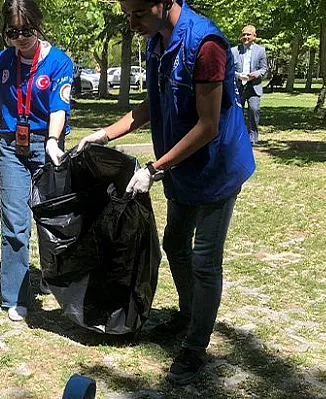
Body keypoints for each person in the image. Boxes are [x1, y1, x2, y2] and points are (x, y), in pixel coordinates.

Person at [77, 0, 255, 385]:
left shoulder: (206, 45)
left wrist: (155, 168)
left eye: (138, 13)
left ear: (163, 2)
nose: (131, 22)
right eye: (126, 14)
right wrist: (105, 133)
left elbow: (208, 125)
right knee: (175, 244)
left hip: (215, 170)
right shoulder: (156, 39)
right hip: (180, 169)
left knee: (206, 261)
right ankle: (189, 315)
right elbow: (152, 105)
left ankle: (195, 346)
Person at [0, 0, 74, 322]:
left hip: (45, 144)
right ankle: (14, 296)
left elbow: (59, 106)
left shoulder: (59, 62)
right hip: (11, 148)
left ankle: (52, 277)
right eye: (12, 33)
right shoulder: (2, 61)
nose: (20, 39)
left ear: (38, 26)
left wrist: (51, 140)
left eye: (26, 31)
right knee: (15, 225)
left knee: (52, 219)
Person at [231, 25, 267, 145]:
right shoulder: (234, 51)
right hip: (239, 87)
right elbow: (229, 69)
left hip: (254, 87)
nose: (246, 37)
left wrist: (255, 74)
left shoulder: (261, 51)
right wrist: (238, 76)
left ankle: (253, 138)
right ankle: (237, 137)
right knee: (237, 113)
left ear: (254, 36)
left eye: (248, 35)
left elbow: (264, 69)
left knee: (254, 110)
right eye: (244, 34)